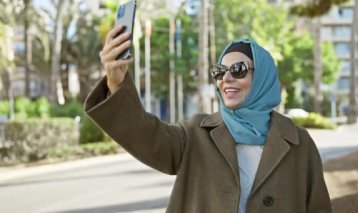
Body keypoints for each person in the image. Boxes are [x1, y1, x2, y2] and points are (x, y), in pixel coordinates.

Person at [85, 26, 332, 213]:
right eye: (219, 72)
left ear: (263, 77)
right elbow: (143, 133)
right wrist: (116, 82)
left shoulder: (299, 142)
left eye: (238, 70)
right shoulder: (194, 134)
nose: (226, 79)